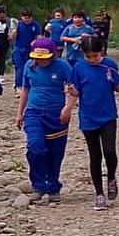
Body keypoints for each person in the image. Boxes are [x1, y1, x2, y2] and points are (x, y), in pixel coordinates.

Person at [15, 37, 76, 204]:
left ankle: (53, 186)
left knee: (55, 152)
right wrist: (19, 113)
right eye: (38, 58)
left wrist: (68, 108)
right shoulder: (29, 66)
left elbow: (75, 89)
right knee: (35, 147)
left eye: (45, 58)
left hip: (57, 115)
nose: (41, 61)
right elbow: (25, 90)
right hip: (33, 112)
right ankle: (39, 185)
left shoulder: (63, 66)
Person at [68, 34, 119, 210]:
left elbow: (118, 87)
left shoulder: (109, 65)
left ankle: (111, 178)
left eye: (95, 56)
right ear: (83, 55)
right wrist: (72, 91)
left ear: (101, 52)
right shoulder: (79, 67)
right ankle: (99, 194)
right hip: (88, 116)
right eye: (88, 57)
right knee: (95, 155)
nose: (92, 60)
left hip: (107, 115)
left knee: (109, 150)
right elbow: (77, 91)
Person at [9, 7, 42, 97]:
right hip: (19, 49)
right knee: (20, 68)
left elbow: (39, 36)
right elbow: (11, 37)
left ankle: (31, 86)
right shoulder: (18, 24)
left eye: (28, 17)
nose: (27, 19)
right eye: (25, 17)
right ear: (21, 17)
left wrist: (36, 42)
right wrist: (15, 30)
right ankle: (19, 87)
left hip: (30, 49)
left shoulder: (35, 24)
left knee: (32, 67)